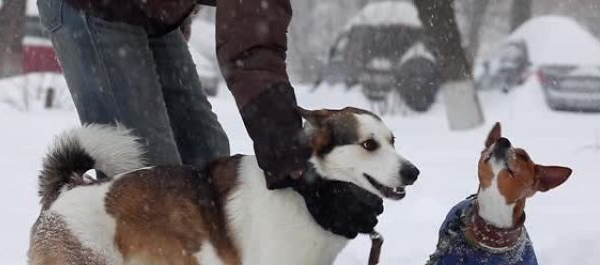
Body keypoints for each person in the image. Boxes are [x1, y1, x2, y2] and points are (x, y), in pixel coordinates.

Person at [37, 0, 382, 238]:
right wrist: (299, 171)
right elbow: (253, 52)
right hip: (90, 7)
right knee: (151, 179)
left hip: (151, 14)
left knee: (208, 158)